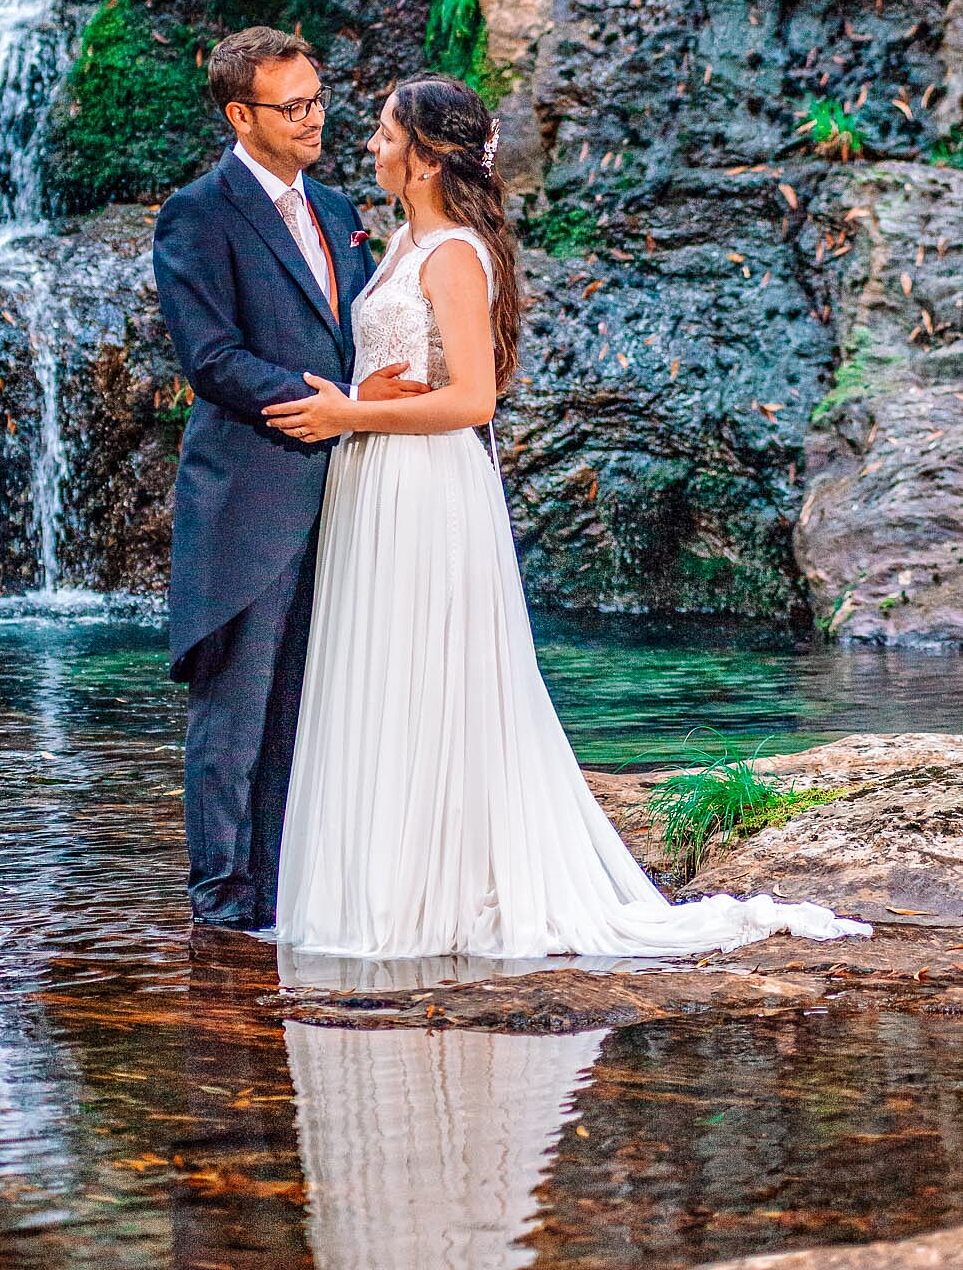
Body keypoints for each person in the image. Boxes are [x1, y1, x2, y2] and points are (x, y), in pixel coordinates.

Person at [264, 73, 871, 959]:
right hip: (377, 479)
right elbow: (415, 369)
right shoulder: (400, 243)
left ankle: (441, 891)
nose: (371, 146)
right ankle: (388, 882)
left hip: (427, 485)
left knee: (433, 674)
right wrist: (359, 394)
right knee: (382, 671)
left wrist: (353, 415)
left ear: (427, 158)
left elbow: (473, 399)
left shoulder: (455, 256)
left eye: (388, 135)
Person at [152, 27, 426, 932]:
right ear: (242, 115)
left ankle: (280, 897)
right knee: (233, 717)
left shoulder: (340, 204)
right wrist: (336, 400)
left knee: (305, 711)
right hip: (247, 496)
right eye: (293, 107)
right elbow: (211, 357)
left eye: (317, 98)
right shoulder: (200, 211)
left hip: (345, 497)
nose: (314, 119)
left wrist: (376, 398)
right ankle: (222, 909)